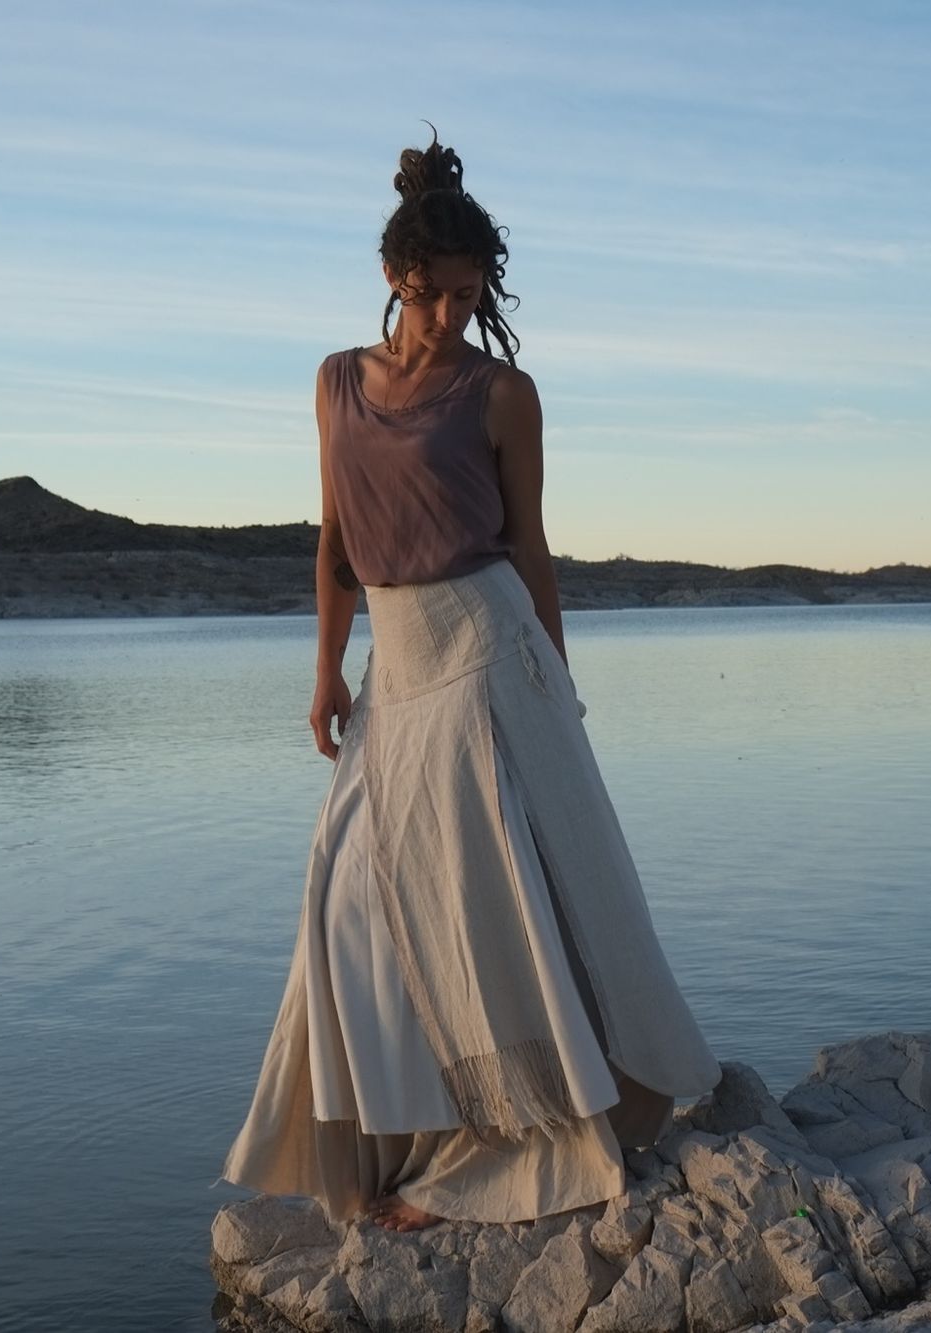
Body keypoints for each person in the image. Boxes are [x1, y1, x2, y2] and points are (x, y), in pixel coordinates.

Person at [221, 129, 720, 1235]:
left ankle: (515, 1147)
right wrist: (324, 672)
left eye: (469, 293)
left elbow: (532, 547)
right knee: (346, 895)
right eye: (435, 293)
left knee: (491, 906)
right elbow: (333, 539)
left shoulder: (503, 394)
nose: (452, 313)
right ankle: (399, 1135)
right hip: (391, 662)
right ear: (395, 278)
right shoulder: (335, 383)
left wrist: (558, 677)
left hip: (488, 648)